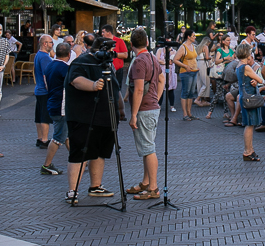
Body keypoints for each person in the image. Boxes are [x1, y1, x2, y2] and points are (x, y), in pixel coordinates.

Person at [63, 36, 125, 202]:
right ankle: (72, 191)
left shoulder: (107, 64)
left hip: (106, 118)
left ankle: (95, 186)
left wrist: (120, 108)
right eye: (110, 51)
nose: (112, 55)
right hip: (84, 117)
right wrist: (93, 85)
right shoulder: (82, 61)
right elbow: (75, 80)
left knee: (100, 152)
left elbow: (115, 87)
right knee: (80, 153)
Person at [127, 28, 165, 200]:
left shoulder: (139, 61)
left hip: (144, 109)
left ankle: (153, 188)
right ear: (147, 42)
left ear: (131, 44)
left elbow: (139, 89)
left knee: (148, 148)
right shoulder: (152, 57)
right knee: (146, 146)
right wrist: (156, 97)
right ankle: (146, 182)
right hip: (153, 107)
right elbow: (162, 79)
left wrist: (133, 114)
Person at [39, 41, 73, 175]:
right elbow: (72, 86)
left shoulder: (50, 66)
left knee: (67, 135)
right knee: (58, 138)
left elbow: (47, 84)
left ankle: (78, 159)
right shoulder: (66, 68)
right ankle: (46, 165)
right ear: (69, 54)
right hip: (61, 107)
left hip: (52, 103)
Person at [234, 43, 264, 162]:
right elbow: (260, 79)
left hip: (244, 96)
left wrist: (253, 81)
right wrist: (256, 81)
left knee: (249, 124)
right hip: (250, 98)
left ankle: (250, 149)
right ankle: (247, 151)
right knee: (250, 125)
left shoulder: (238, 66)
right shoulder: (246, 67)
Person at [31, 34, 55, 149]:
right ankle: (44, 139)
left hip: (38, 90)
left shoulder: (38, 55)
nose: (52, 44)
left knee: (39, 115)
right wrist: (51, 90)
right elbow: (47, 76)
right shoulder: (45, 57)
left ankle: (40, 138)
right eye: (50, 42)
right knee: (45, 116)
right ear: (45, 44)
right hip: (45, 91)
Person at [173, 29, 200, 121]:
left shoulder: (193, 46)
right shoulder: (183, 47)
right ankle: (185, 114)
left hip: (194, 71)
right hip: (186, 72)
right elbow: (175, 60)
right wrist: (185, 66)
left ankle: (189, 113)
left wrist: (196, 66)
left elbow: (194, 58)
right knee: (186, 92)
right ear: (188, 37)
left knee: (191, 93)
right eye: (193, 36)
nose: (195, 37)